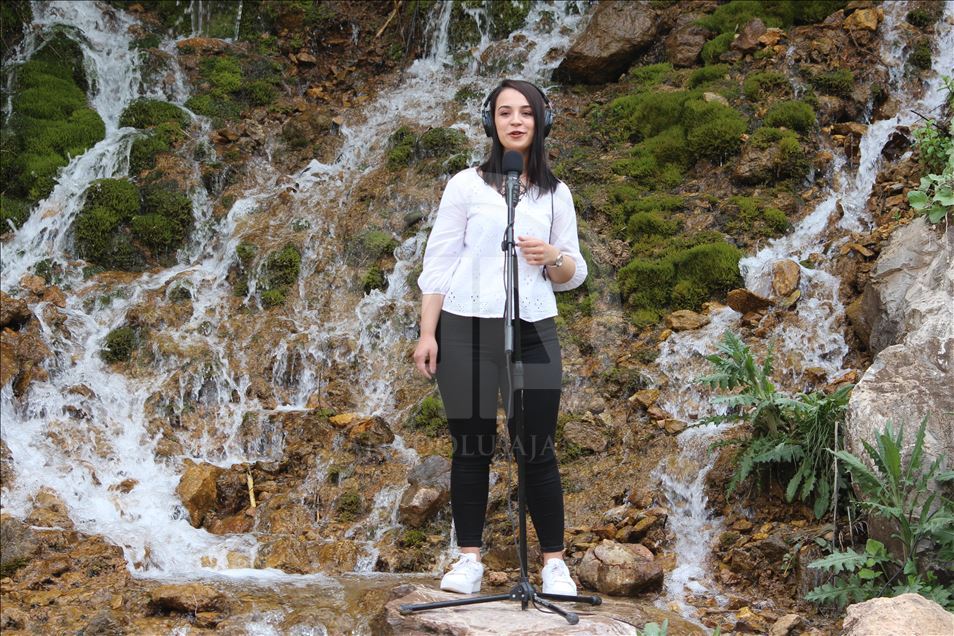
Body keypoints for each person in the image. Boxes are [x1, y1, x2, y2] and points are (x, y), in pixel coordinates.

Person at [412, 79, 587, 595]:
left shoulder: (556, 193)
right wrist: (428, 333)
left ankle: (553, 565)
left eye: (526, 112)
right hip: (463, 328)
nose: (516, 121)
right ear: (491, 121)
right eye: (505, 112)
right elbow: (440, 261)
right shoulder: (465, 185)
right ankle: (469, 559)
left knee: (537, 446)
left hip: (533, 329)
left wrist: (552, 256)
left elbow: (573, 272)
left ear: (542, 122)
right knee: (471, 446)